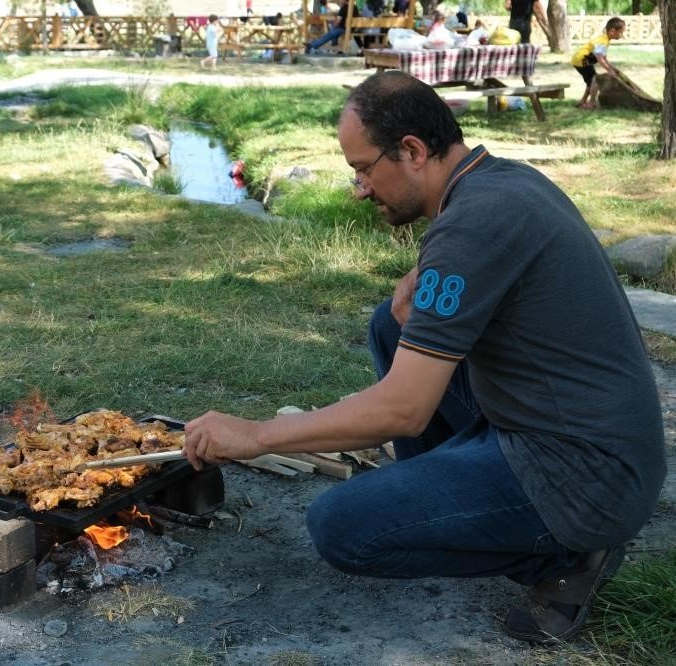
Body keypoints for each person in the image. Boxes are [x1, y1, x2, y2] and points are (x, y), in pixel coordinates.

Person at [184, 70, 666, 644]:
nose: (359, 189)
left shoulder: (474, 224)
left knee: (342, 527)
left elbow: (403, 411)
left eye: (363, 169)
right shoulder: (498, 183)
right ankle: (456, 499)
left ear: (412, 150)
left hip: (585, 476)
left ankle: (566, 560)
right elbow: (472, 278)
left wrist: (256, 435)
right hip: (585, 432)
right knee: (392, 324)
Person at [571, 17, 625, 111]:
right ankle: (591, 104)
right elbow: (599, 58)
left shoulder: (604, 39)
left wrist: (612, 68)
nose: (622, 35)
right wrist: (609, 70)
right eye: (621, 32)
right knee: (595, 81)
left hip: (582, 60)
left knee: (591, 81)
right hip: (582, 60)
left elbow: (604, 58)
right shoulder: (603, 41)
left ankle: (583, 101)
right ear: (612, 31)